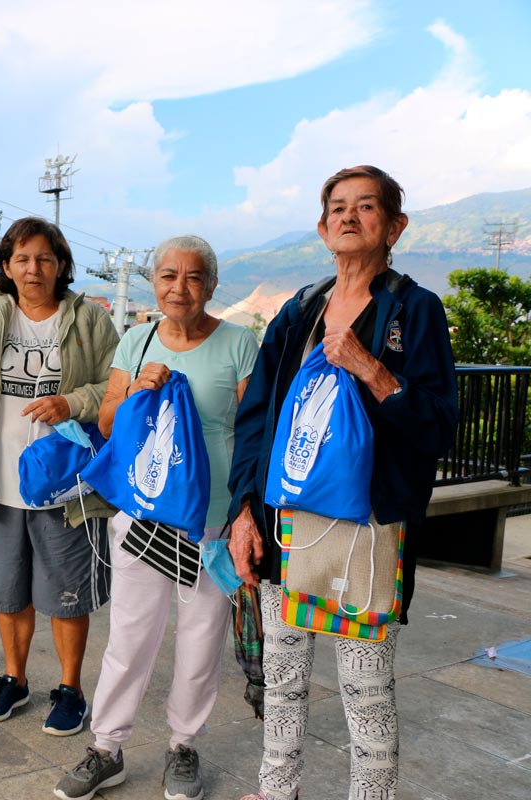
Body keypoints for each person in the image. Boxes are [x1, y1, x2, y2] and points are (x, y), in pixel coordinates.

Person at [227, 166, 457, 800]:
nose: (349, 216)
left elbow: (439, 425)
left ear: (396, 226)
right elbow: (256, 422)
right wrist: (244, 512)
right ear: (323, 226)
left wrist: (372, 371)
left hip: (368, 530)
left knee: (366, 691)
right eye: (337, 207)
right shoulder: (299, 310)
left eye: (367, 206)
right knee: (282, 678)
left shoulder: (414, 310)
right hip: (285, 525)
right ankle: (278, 791)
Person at [55, 236, 258, 800]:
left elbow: (254, 434)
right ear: (154, 283)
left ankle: (183, 745)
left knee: (200, 639)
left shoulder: (241, 344)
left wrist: (246, 511)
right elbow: (107, 421)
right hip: (144, 515)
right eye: (168, 276)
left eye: (194, 278)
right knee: (129, 636)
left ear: (211, 287)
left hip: (212, 521)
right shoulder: (136, 341)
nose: (179, 287)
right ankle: (106, 747)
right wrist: (138, 390)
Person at [0, 216, 118, 736]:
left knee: (66, 592)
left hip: (66, 485)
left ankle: (70, 689)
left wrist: (73, 401)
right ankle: (14, 678)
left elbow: (116, 388)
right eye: (22, 259)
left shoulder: (90, 320)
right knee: (8, 592)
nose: (33, 269)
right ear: (7, 267)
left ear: (61, 265)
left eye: (44, 259)